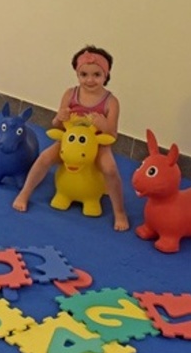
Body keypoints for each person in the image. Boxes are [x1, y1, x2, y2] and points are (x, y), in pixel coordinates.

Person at [12, 45, 130, 231]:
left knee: (110, 168)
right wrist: (60, 117)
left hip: (97, 145)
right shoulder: (70, 94)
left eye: (96, 75)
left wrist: (103, 125)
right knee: (44, 157)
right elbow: (56, 125)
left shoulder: (111, 102)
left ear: (106, 75)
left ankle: (120, 212)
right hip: (69, 143)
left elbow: (112, 135)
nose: (89, 80)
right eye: (84, 74)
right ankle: (25, 193)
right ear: (77, 74)